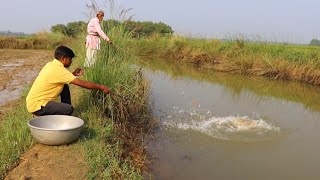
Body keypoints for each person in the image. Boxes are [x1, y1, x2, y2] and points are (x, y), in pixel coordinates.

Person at [26, 45, 110, 116]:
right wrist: (102, 87)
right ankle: (49, 119)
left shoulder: (51, 64)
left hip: (32, 102)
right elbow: (82, 83)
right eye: (70, 59)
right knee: (69, 109)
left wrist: (72, 74)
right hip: (38, 106)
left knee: (64, 85)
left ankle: (62, 113)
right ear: (63, 58)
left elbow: (58, 78)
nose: (71, 62)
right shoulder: (59, 70)